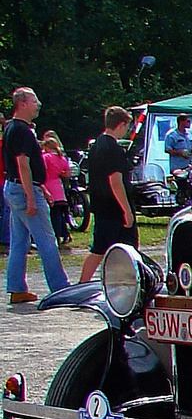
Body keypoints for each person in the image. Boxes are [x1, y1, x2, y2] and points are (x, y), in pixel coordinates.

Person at [3, 87, 69, 303]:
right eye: (34, 101)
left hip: (14, 188)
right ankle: (60, 288)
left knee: (20, 242)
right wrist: (31, 197)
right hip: (23, 190)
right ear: (22, 103)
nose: (38, 104)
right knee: (47, 241)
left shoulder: (10, 127)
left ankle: (16, 288)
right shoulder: (21, 130)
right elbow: (23, 164)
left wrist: (40, 187)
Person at [79, 106, 137, 284]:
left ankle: (83, 283)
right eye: (126, 126)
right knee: (128, 250)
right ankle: (125, 283)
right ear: (121, 125)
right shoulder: (114, 149)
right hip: (115, 208)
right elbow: (115, 181)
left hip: (101, 205)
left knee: (99, 248)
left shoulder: (96, 146)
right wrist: (126, 210)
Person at [40, 132, 73, 249]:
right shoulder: (62, 158)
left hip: (48, 185)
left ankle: (56, 236)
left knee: (53, 215)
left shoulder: (45, 157)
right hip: (58, 186)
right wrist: (60, 172)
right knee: (61, 214)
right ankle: (65, 234)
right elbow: (67, 173)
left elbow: (42, 171)